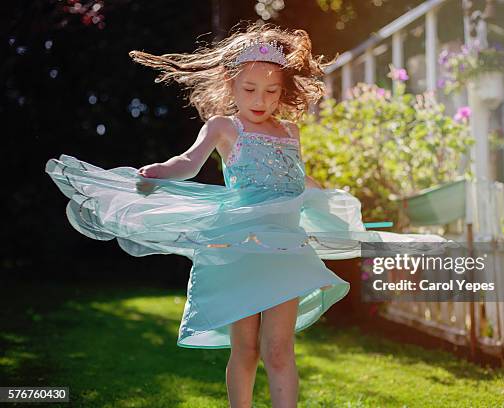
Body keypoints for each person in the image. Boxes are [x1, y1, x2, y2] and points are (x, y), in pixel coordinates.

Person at [45, 22, 449, 407]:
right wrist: (163, 172)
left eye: (272, 92)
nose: (261, 100)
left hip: (286, 247)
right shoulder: (224, 127)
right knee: (246, 346)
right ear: (231, 85)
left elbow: (297, 181)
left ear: (282, 93)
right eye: (251, 89)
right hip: (239, 246)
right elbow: (189, 161)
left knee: (279, 347)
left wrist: (327, 200)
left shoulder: (290, 132)